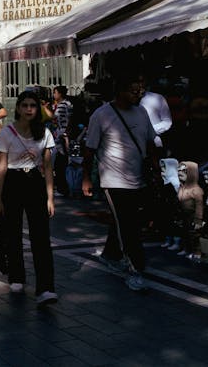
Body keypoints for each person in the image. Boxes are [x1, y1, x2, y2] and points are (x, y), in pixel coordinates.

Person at [82, 73, 158, 292]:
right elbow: (90, 149)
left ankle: (110, 253)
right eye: (134, 90)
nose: (138, 94)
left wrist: (155, 169)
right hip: (113, 179)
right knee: (129, 225)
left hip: (138, 178)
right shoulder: (102, 115)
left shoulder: (142, 112)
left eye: (141, 91)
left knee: (124, 220)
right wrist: (86, 178)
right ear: (120, 91)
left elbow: (150, 142)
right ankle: (135, 268)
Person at [0, 90, 58, 304]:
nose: (29, 109)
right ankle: (16, 276)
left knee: (40, 236)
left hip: (35, 183)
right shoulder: (7, 133)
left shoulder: (45, 133)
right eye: (25, 105)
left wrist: (50, 197)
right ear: (18, 108)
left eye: (33, 105)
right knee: (13, 232)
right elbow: (1, 167)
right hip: (13, 181)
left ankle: (46, 287)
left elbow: (48, 167)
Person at [51, 86, 73, 196]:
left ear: (59, 94)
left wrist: (64, 134)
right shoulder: (65, 104)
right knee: (60, 162)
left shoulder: (63, 105)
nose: (54, 95)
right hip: (61, 136)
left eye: (55, 93)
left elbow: (66, 120)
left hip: (62, 137)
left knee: (61, 163)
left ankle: (63, 188)